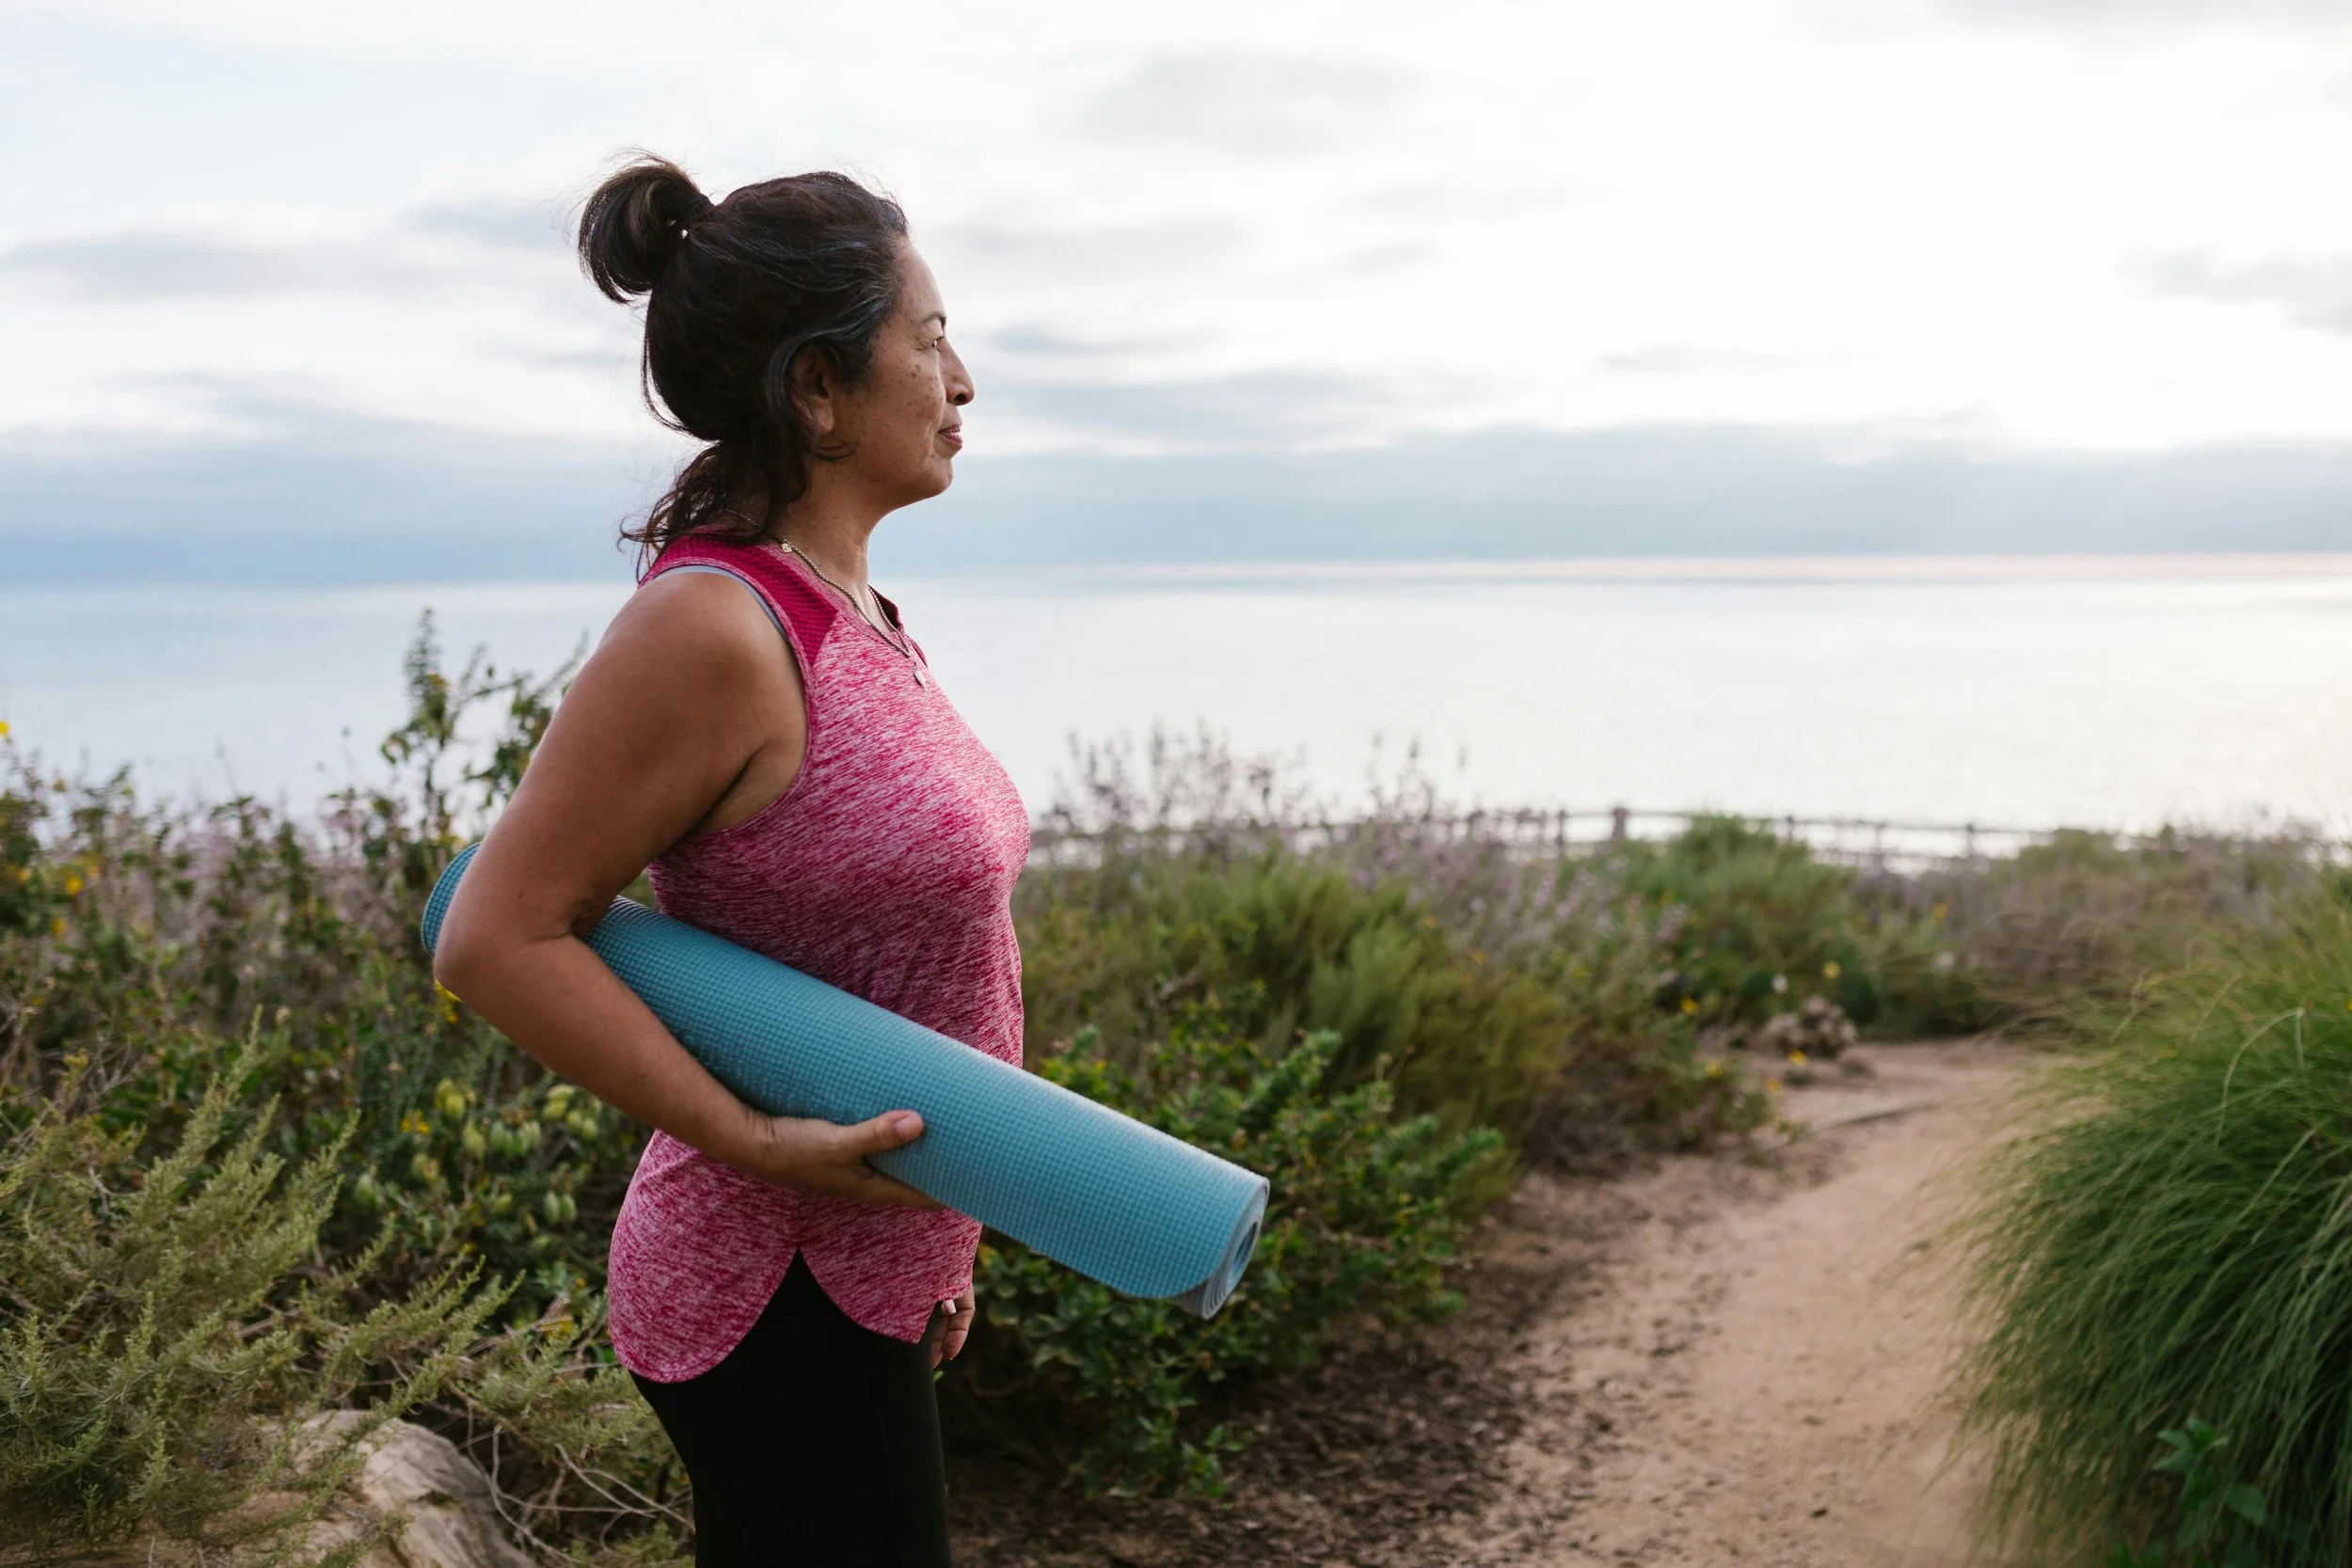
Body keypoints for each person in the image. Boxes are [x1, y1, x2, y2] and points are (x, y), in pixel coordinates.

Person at [431, 153, 1023, 1568]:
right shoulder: (711, 627)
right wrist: (754, 1142)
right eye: (929, 340)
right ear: (817, 389)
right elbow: (498, 935)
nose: (963, 379)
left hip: (871, 1260)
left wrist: (960, 1226)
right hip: (769, 1276)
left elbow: (925, 949)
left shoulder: (856, 610)